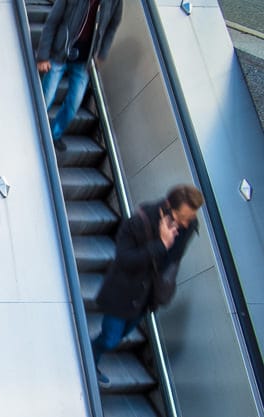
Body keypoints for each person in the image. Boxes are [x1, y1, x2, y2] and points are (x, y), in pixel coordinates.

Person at [92, 184, 203, 386]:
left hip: (146, 298)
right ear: (169, 206)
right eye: (184, 217)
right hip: (122, 293)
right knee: (111, 339)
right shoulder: (138, 223)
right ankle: (90, 355)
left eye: (191, 218)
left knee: (120, 335)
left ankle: (92, 352)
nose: (187, 223)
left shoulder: (186, 228)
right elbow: (124, 260)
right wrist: (160, 245)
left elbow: (171, 261)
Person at [36, 0, 123, 151]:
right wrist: (43, 56)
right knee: (46, 97)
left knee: (73, 104)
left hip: (84, 60)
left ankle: (54, 134)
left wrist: (102, 53)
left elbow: (112, 26)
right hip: (59, 53)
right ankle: (35, 132)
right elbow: (52, 21)